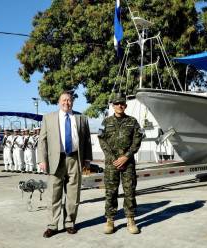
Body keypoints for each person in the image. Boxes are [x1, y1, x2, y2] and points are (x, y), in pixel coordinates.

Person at [38, 91, 92, 238]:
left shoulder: (81, 118)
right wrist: (42, 160)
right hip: (56, 160)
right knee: (54, 195)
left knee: (73, 195)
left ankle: (69, 223)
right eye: (64, 100)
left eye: (69, 100)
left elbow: (87, 140)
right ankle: (52, 226)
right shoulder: (48, 118)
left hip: (75, 159)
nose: (66, 103)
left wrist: (87, 158)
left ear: (72, 102)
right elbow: (42, 141)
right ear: (59, 102)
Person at [98, 93, 143, 234]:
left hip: (128, 163)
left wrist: (126, 156)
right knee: (111, 192)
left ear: (125, 105)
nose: (119, 106)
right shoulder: (105, 122)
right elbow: (102, 140)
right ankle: (110, 220)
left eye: (122, 103)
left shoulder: (133, 122)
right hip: (111, 164)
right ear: (113, 106)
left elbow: (137, 140)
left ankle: (130, 219)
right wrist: (112, 158)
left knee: (129, 192)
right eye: (117, 103)